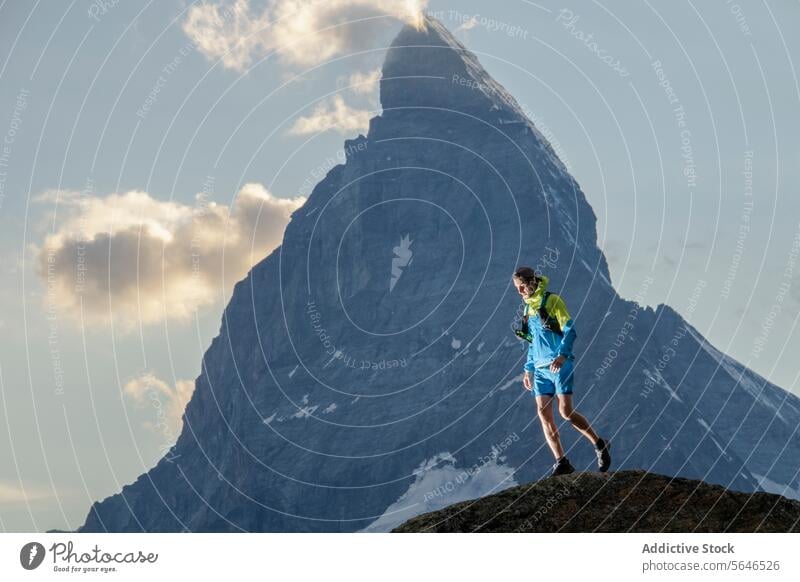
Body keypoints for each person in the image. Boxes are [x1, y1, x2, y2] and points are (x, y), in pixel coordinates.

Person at [512, 266, 611, 476]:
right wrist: (528, 369)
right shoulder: (527, 309)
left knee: (565, 412)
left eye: (521, 287)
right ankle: (561, 461)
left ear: (531, 282)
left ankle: (599, 444)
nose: (519, 292)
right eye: (517, 289)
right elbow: (532, 342)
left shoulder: (553, 301)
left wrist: (562, 355)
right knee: (544, 415)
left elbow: (570, 330)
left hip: (559, 364)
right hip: (539, 371)